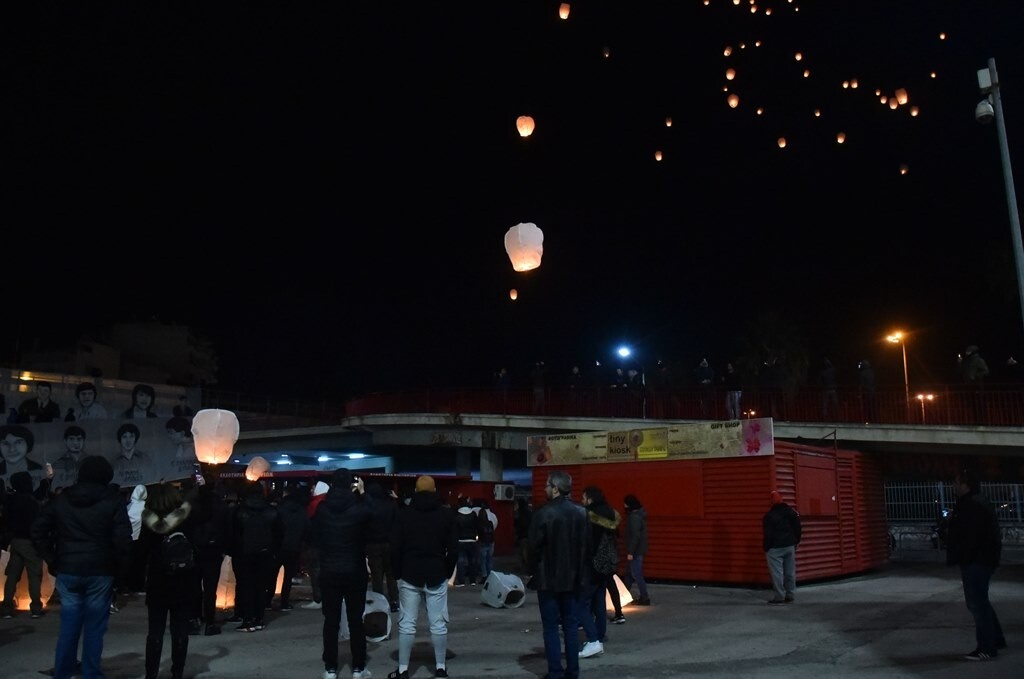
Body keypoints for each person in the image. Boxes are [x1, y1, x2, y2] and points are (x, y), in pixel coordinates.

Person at [31, 455, 132, 679]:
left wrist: (52, 559)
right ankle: (91, 673)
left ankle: (63, 671)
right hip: (100, 569)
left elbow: (38, 530)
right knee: (95, 627)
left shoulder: (62, 498)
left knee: (69, 624)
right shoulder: (114, 500)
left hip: (68, 567)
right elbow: (122, 539)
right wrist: (119, 570)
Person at [388, 474, 458, 679]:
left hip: (410, 573)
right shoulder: (446, 515)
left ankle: (402, 670)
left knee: (407, 623)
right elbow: (453, 549)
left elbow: (395, 548)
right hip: (436, 572)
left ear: (416, 491)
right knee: (438, 623)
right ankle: (440, 667)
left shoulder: (404, 514)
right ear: (435, 490)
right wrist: (447, 571)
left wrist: (397, 572)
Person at [309, 468, 375, 679]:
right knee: (356, 620)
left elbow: (314, 536)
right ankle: (358, 667)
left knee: (331, 621)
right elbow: (375, 516)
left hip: (329, 570)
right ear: (350, 484)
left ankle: (330, 667)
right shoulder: (358, 509)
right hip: (354, 571)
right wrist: (363, 493)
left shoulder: (322, 510)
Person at [528, 470, 589, 679]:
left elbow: (533, 548)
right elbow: (585, 548)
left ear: (555, 488)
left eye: (547, 485)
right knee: (571, 627)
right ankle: (573, 672)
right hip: (573, 579)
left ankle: (555, 672)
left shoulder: (542, 513)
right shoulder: (581, 513)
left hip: (547, 579)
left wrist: (532, 570)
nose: (544, 488)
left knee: (551, 627)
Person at [139, 482, 199, 679]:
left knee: (155, 631)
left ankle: (151, 674)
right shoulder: (187, 519)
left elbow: (141, 552)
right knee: (180, 630)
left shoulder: (148, 521)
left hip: (158, 582)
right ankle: (177, 673)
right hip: (183, 581)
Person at [945, 469, 1005, 660]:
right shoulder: (975, 502)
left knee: (976, 604)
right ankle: (995, 639)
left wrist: (963, 556)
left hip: (977, 561)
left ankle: (986, 648)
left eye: (956, 482)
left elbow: (971, 537)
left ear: (966, 485)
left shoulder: (972, 505)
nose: (953, 486)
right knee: (981, 602)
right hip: (982, 560)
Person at [228, 479, 282, 633]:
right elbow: (279, 534)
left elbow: (232, 535)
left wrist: (234, 551)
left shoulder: (238, 511)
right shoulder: (272, 511)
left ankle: (248, 618)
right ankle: (259, 618)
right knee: (260, 586)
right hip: (265, 554)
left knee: (245, 586)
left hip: (244, 554)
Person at [577, 485, 620, 660]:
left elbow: (587, 543)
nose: (582, 500)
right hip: (606, 565)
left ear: (590, 499)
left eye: (583, 497)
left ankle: (593, 639)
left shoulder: (590, 517)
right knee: (599, 603)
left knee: (581, 604)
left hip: (591, 565)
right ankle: (600, 636)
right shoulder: (612, 514)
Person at [185, 475, 229, 636]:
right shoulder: (220, 506)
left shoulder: (191, 505)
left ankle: (194, 619)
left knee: (194, 586)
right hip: (213, 550)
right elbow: (226, 529)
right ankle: (210, 622)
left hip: (195, 549)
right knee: (211, 588)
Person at [0, 471, 46, 619]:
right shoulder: (31, 502)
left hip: (15, 541)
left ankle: (6, 608)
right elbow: (36, 524)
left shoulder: (10, 501)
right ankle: (36, 608)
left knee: (12, 575)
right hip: (29, 542)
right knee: (34, 575)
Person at [273, 481, 309, 611]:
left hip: (279, 546)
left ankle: (267, 600)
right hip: (294, 547)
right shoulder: (301, 511)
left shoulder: (279, 510)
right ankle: (284, 602)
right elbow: (306, 528)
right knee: (288, 576)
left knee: (273, 574)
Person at [763, 490, 802, 605]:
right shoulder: (791, 512)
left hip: (775, 548)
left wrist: (767, 547)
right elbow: (798, 527)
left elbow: (768, 534)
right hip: (789, 545)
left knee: (777, 573)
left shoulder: (769, 516)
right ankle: (790, 594)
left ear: (771, 502)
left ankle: (779, 596)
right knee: (790, 572)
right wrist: (796, 541)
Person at [365, 482, 399, 612]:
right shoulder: (390, 505)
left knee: (376, 576)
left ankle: (379, 601)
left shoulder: (368, 507)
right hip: (389, 544)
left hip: (373, 544)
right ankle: (394, 600)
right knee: (391, 574)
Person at [301, 479, 330, 610]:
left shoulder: (315, 505)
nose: (311, 490)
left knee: (316, 572)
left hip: (315, 544)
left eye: (314, 488)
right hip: (324, 544)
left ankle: (318, 599)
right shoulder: (327, 504)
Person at [622, 493, 650, 606]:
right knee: (630, 573)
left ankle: (644, 597)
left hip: (635, 551)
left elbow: (634, 536)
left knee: (636, 574)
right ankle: (624, 595)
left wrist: (630, 552)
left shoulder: (634, 518)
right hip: (637, 550)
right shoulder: (639, 516)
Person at [0, 424, 45, 491]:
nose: (12, 449)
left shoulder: (38, 468)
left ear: (28, 443)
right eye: (5, 443)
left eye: (18, 442)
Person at [125, 484, 149, 596]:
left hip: (129, 539)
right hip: (141, 539)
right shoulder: (146, 507)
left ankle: (127, 585)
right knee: (140, 564)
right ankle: (138, 585)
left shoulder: (128, 506)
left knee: (129, 563)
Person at [50, 425, 88, 492]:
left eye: (79, 439)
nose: (75, 443)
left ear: (84, 441)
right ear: (65, 441)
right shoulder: (57, 464)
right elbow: (55, 487)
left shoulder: (91, 462)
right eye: (71, 439)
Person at [959, 345, 990, 423]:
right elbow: (962, 372)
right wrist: (960, 363)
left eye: (968, 351)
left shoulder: (978, 360)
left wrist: (975, 376)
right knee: (972, 405)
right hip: (969, 386)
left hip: (977, 386)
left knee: (979, 405)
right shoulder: (967, 361)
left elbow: (986, 371)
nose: (967, 352)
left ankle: (982, 422)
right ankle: (976, 421)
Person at [454, 496, 480, 587]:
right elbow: (477, 526)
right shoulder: (473, 514)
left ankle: (461, 581)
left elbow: (454, 529)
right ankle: (472, 580)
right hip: (472, 540)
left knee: (460, 561)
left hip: (460, 540)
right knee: (472, 561)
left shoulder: (456, 515)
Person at [113, 423, 147, 489]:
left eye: (131, 436)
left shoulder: (144, 459)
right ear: (120, 439)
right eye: (124, 437)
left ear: (135, 438)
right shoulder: (114, 462)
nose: (128, 441)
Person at [474, 498, 497, 584]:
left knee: (482, 560)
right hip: (491, 542)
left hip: (483, 542)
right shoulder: (490, 522)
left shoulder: (479, 524)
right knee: (489, 559)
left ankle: (484, 576)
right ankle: (490, 575)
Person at [513, 497, 532, 573]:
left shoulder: (520, 513)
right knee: (525, 552)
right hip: (528, 534)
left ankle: (527, 568)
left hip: (522, 535)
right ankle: (526, 568)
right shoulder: (529, 512)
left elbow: (518, 524)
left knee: (523, 552)